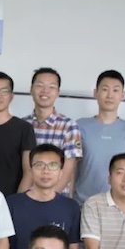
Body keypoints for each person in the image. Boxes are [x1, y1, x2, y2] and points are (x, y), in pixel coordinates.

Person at [6, 144, 80, 249]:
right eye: (39, 165)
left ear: (61, 172)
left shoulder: (71, 207)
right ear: (30, 170)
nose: (46, 171)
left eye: (53, 165)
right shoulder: (11, 204)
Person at [74, 70, 125, 206]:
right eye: (105, 89)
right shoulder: (80, 125)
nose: (110, 95)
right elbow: (71, 166)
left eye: (115, 90)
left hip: (118, 205)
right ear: (96, 93)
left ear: (122, 95)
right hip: (82, 202)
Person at [22, 67, 82, 195]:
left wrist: (46, 199)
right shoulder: (22, 125)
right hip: (26, 198)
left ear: (58, 92)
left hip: (56, 199)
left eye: (51, 87)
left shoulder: (69, 126)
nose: (45, 91)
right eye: (40, 85)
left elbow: (67, 172)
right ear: (31, 89)